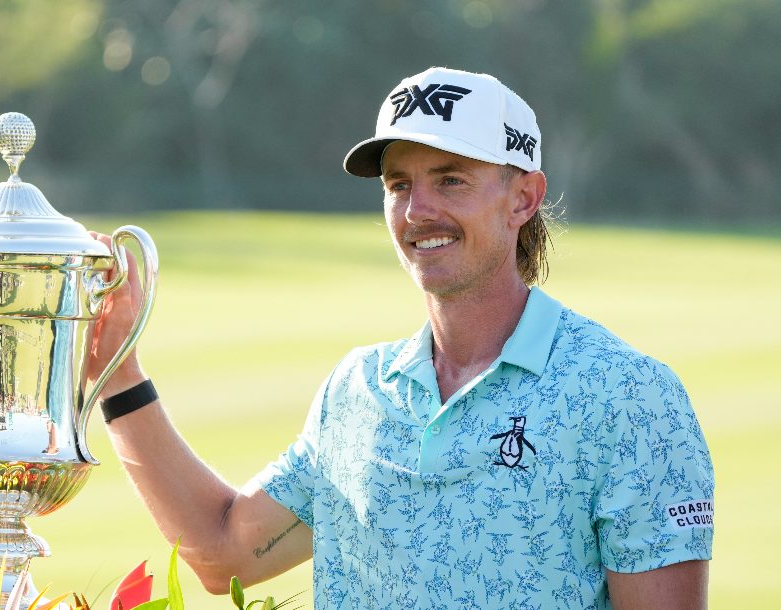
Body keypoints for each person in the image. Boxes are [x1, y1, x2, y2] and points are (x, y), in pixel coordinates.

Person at [88, 67, 713, 609]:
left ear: (522, 198)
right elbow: (225, 553)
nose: (418, 211)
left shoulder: (629, 397)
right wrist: (118, 370)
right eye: (398, 185)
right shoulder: (356, 393)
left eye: (451, 180)